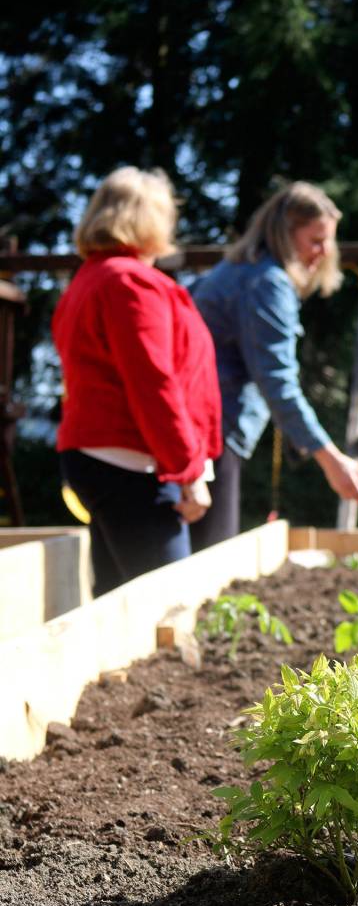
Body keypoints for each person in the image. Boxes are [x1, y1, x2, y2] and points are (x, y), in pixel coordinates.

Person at [53, 166, 223, 596]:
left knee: (114, 602)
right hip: (131, 463)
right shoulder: (130, 283)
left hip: (100, 457)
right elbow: (153, 383)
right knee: (169, 606)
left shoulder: (89, 279)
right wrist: (187, 470)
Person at [189, 181, 358, 549]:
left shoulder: (234, 270)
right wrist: (330, 458)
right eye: (315, 240)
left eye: (328, 242)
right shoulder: (266, 283)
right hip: (214, 433)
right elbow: (277, 382)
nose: (323, 252)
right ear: (285, 235)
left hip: (199, 429)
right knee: (207, 563)